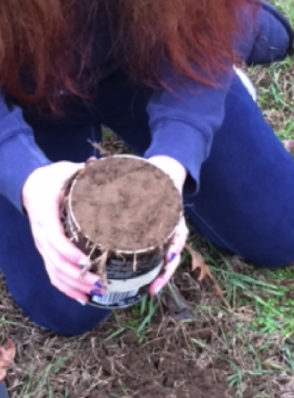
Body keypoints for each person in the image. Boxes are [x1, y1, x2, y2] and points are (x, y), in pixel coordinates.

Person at [0, 0, 293, 336]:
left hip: (145, 53)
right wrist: (24, 173)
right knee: (69, 302)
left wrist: (175, 158)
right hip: (21, 84)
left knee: (282, 229)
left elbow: (199, 29)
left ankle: (243, 19)